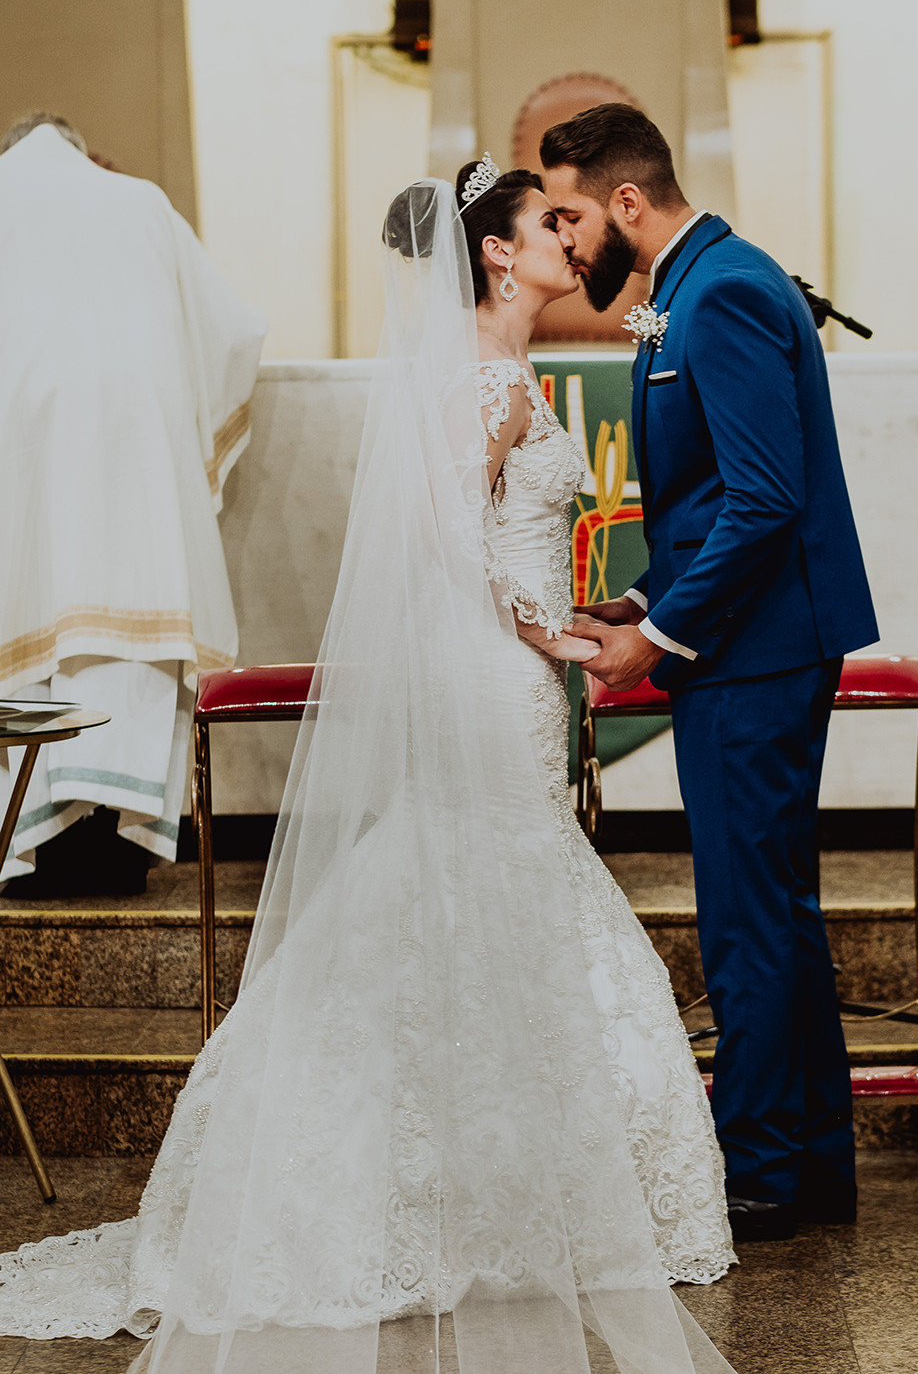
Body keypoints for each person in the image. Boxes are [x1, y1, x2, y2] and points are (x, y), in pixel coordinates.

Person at [0, 164, 738, 1374]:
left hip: (502, 672)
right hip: (492, 674)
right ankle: (466, 1196)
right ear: (497, 255)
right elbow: (438, 530)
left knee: (479, 880)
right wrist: (538, 627)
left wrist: (559, 610)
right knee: (489, 873)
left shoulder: (499, 368)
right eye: (548, 226)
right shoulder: (489, 378)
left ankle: (484, 1184)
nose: (571, 238)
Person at [541, 104, 879, 1243]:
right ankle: (809, 1165)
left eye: (577, 214)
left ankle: (768, 1171)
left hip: (756, 651)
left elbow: (766, 496)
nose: (570, 239)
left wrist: (660, 637)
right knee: (774, 911)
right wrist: (636, 597)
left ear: (628, 202)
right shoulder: (674, 296)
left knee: (749, 919)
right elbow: (697, 501)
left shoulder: (723, 289)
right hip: (747, 641)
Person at [0, 112, 266, 893]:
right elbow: (234, 331)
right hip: (137, 443)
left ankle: (36, 840)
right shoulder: (139, 200)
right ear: (84, 152)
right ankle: (117, 842)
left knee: (35, 617)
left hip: (25, 436)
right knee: (134, 633)